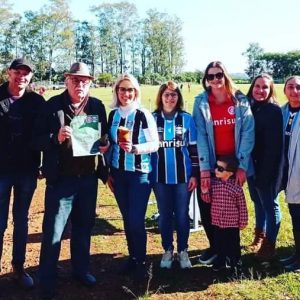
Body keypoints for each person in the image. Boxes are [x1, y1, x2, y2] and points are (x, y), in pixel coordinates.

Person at [33, 62, 108, 299]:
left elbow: (104, 136)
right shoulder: (52, 106)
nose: (80, 84)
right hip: (61, 180)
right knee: (53, 232)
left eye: (84, 81)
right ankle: (47, 280)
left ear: (89, 83)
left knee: (83, 228)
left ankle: (81, 270)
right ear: (67, 81)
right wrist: (54, 137)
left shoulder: (96, 106)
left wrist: (105, 144)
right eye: (75, 80)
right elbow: (35, 140)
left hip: (87, 179)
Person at [192, 61, 254, 265]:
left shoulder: (240, 100)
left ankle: (232, 252)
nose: (215, 79)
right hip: (211, 164)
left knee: (229, 207)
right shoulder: (201, 101)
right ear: (206, 80)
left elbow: (247, 133)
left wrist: (242, 166)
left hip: (232, 165)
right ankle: (216, 248)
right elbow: (200, 135)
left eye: (219, 75)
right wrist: (204, 170)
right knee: (208, 204)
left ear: (225, 76)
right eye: (210, 76)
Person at [107, 74, 159, 280]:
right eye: (122, 89)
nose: (126, 94)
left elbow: (155, 144)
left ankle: (142, 261)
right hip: (118, 174)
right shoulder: (113, 116)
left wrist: (135, 148)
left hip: (139, 174)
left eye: (130, 90)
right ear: (116, 92)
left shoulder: (142, 114)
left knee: (136, 220)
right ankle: (133, 258)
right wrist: (108, 172)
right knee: (127, 219)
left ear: (135, 92)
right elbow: (109, 145)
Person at [0, 58, 45, 289]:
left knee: (21, 220)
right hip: (1, 171)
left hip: (27, 170)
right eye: (17, 72)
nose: (21, 77)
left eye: (26, 74)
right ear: (9, 73)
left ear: (30, 77)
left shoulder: (37, 101)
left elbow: (46, 134)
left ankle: (19, 267)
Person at [151, 81, 198, 269]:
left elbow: (194, 148)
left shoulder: (187, 119)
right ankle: (168, 250)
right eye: (166, 95)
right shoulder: (152, 118)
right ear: (160, 97)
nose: (170, 98)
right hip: (159, 177)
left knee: (181, 214)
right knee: (164, 215)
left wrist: (194, 174)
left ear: (178, 97)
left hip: (183, 177)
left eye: (174, 95)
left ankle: (183, 250)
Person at [246, 74, 283, 261]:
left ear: (271, 90)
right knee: (257, 202)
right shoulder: (250, 106)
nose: (260, 90)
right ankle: (259, 234)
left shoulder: (274, 111)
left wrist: (266, 174)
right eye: (257, 86)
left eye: (265, 87)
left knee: (270, 205)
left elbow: (274, 147)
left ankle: (270, 244)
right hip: (251, 166)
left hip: (266, 169)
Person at [201, 155, 248, 275]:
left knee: (233, 246)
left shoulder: (236, 188)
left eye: (220, 169)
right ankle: (220, 262)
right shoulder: (214, 184)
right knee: (219, 244)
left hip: (231, 224)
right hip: (217, 222)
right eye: (216, 167)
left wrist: (243, 222)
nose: (216, 170)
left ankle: (236, 265)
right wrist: (205, 191)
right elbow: (207, 200)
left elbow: (242, 206)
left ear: (230, 173)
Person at [279, 76, 300, 272]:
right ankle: (297, 254)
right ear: (285, 90)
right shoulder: (283, 112)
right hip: (289, 172)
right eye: (291, 87)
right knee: (295, 214)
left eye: (299, 88)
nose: (295, 91)